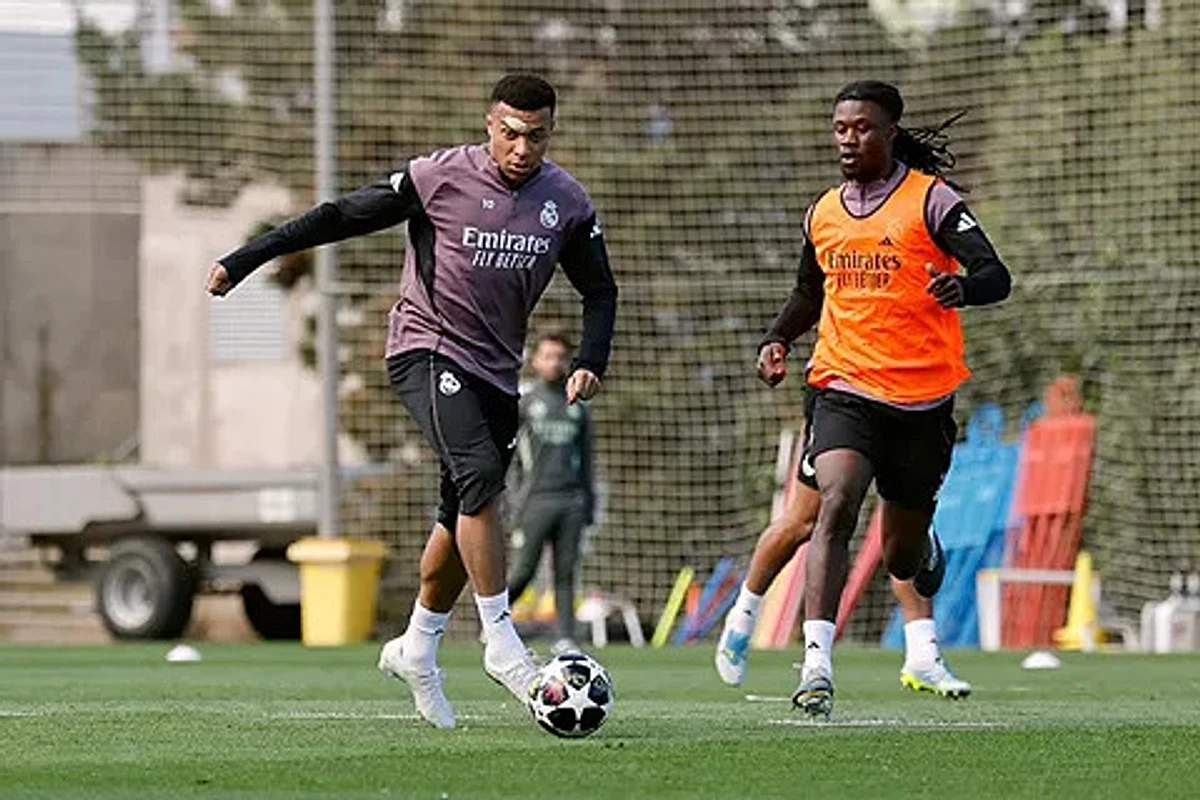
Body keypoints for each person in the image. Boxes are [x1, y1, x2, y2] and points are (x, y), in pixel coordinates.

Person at [206, 74, 618, 729]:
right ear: (489, 125)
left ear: (550, 133)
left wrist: (591, 360)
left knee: (459, 517)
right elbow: (340, 215)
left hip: (493, 373)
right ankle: (502, 643)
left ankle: (417, 646)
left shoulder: (565, 202)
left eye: (535, 137)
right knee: (482, 480)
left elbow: (600, 291)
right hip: (425, 350)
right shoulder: (439, 177)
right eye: (509, 133)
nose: (521, 148)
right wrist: (248, 257)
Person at [743, 80, 1010, 719]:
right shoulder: (823, 213)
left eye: (861, 127)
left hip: (922, 399)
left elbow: (996, 275)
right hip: (844, 385)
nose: (848, 138)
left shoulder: (933, 200)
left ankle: (924, 549)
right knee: (835, 500)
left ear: (890, 131)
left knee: (901, 555)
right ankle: (816, 666)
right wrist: (778, 337)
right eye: (840, 128)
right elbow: (810, 292)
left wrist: (961, 289)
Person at [715, 383, 972, 698]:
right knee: (805, 520)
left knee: (903, 529)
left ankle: (922, 653)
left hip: (908, 400)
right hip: (845, 395)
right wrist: (777, 339)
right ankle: (742, 618)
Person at [506, 331, 597, 655]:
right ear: (535, 360)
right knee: (523, 571)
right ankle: (493, 624)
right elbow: (510, 456)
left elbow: (587, 460)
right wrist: (511, 500)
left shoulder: (577, 407)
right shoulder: (526, 403)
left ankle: (566, 638)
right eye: (548, 356)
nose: (554, 362)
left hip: (571, 501)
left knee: (565, 571)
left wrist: (589, 505)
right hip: (534, 501)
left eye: (560, 357)